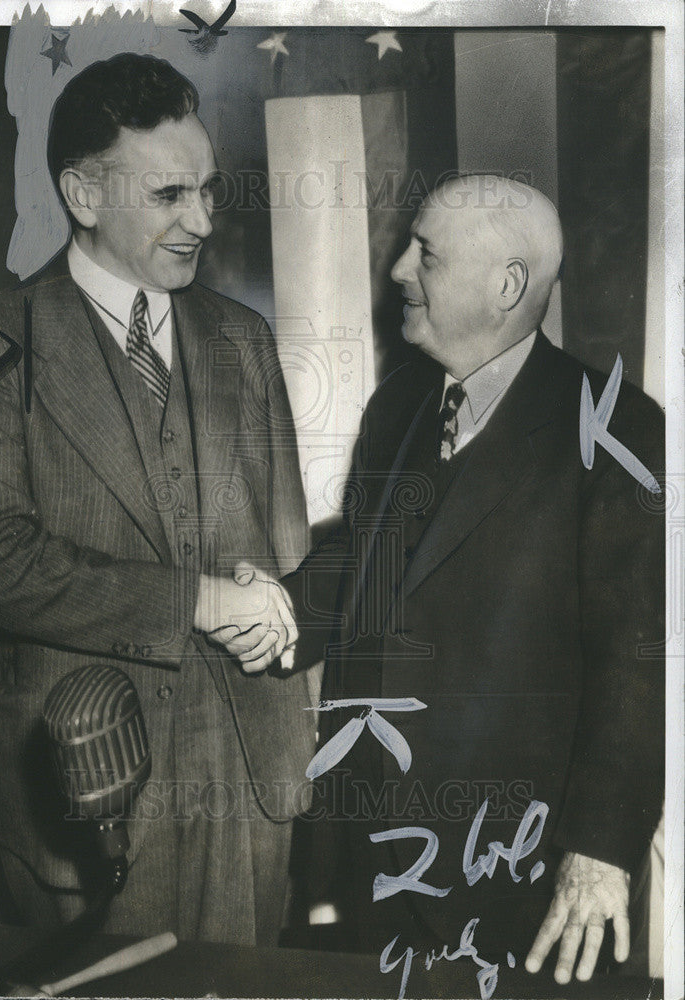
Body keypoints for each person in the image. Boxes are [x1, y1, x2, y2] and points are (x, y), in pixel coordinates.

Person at [215, 175, 664, 984]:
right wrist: (277, 605)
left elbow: (637, 660)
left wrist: (600, 849)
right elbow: (367, 562)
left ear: (506, 285)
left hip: (524, 875)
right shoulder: (397, 407)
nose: (396, 271)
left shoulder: (617, 427)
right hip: (377, 850)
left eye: (424, 253)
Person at [0, 52, 319, 945]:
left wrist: (282, 617)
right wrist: (201, 602)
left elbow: (288, 548)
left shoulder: (242, 339)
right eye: (170, 195)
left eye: (208, 191)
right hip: (83, 794)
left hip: (251, 786)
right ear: (82, 193)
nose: (202, 221)